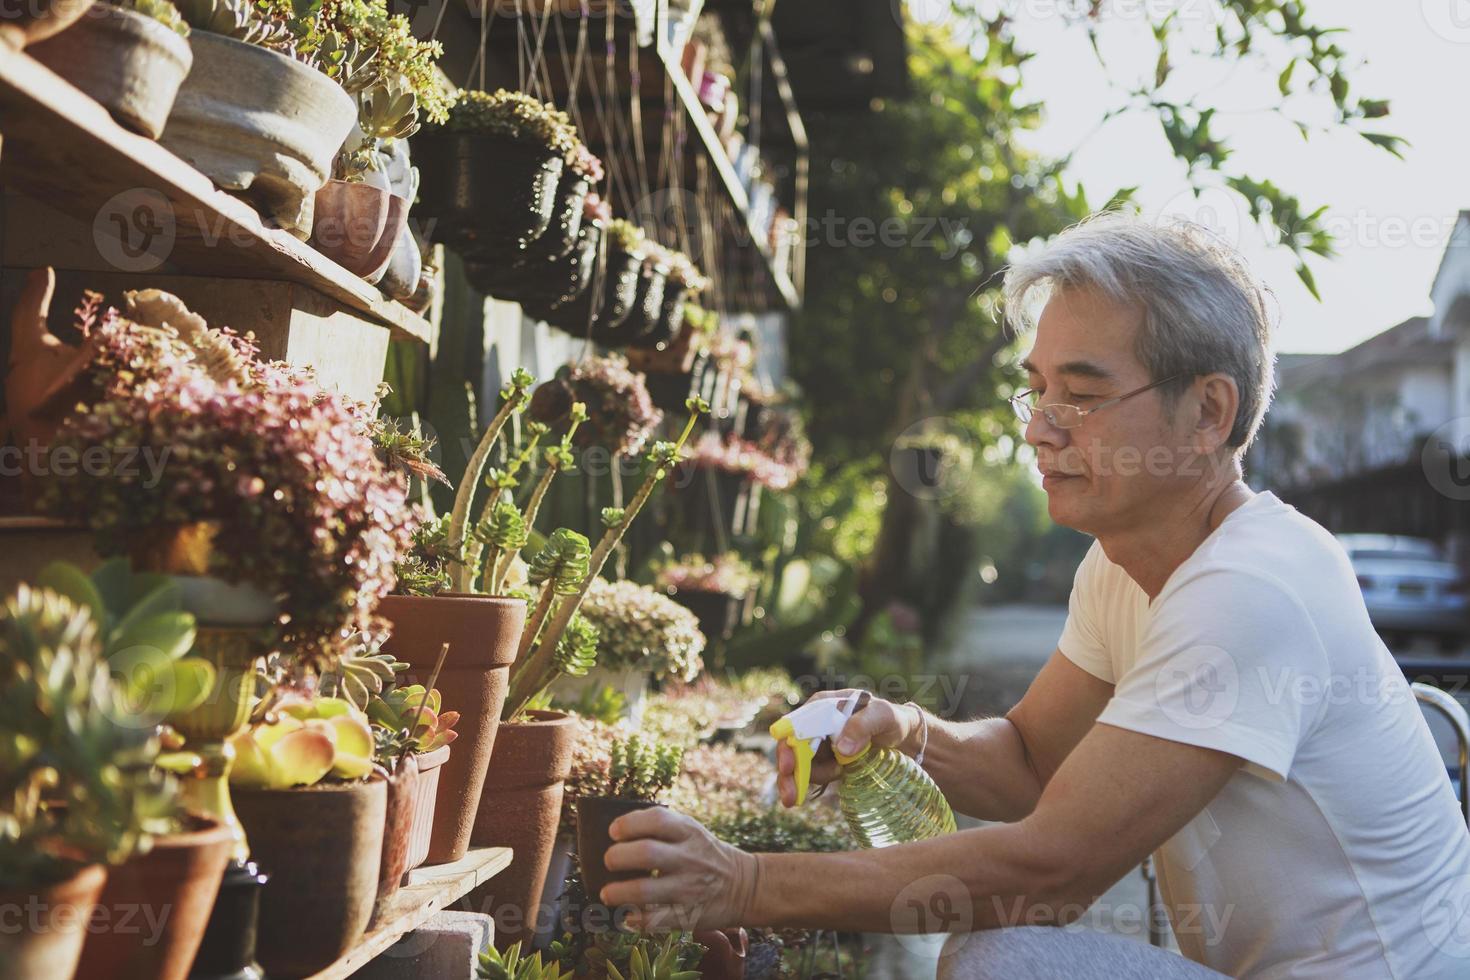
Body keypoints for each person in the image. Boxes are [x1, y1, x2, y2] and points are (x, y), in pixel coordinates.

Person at [598, 213, 1470, 978]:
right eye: (1039, 387)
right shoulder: (1124, 561)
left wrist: (745, 882)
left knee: (1006, 956)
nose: (1039, 426)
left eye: (1083, 395)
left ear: (1208, 414)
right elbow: (1032, 764)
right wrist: (901, 727)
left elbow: (1048, 874)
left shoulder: (1251, 590)